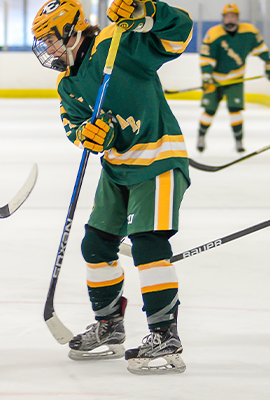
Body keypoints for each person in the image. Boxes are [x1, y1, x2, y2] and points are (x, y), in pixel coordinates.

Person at [31, 0, 192, 375]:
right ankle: (109, 325)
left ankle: (165, 335)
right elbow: (74, 125)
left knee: (148, 243)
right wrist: (89, 135)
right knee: (95, 244)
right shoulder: (67, 82)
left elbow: (179, 32)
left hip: (158, 160)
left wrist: (148, 12)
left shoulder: (116, 44)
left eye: (52, 40)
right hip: (117, 170)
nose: (49, 51)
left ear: (74, 31)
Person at [197, 3, 270, 153]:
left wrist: (269, 66)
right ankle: (201, 137)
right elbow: (206, 58)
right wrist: (206, 78)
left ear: (237, 17)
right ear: (223, 18)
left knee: (235, 110)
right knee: (209, 110)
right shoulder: (214, 33)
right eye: (227, 16)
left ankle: (238, 142)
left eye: (233, 16)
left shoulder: (249, 32)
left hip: (236, 78)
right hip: (215, 80)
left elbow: (263, 51)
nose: (230, 19)